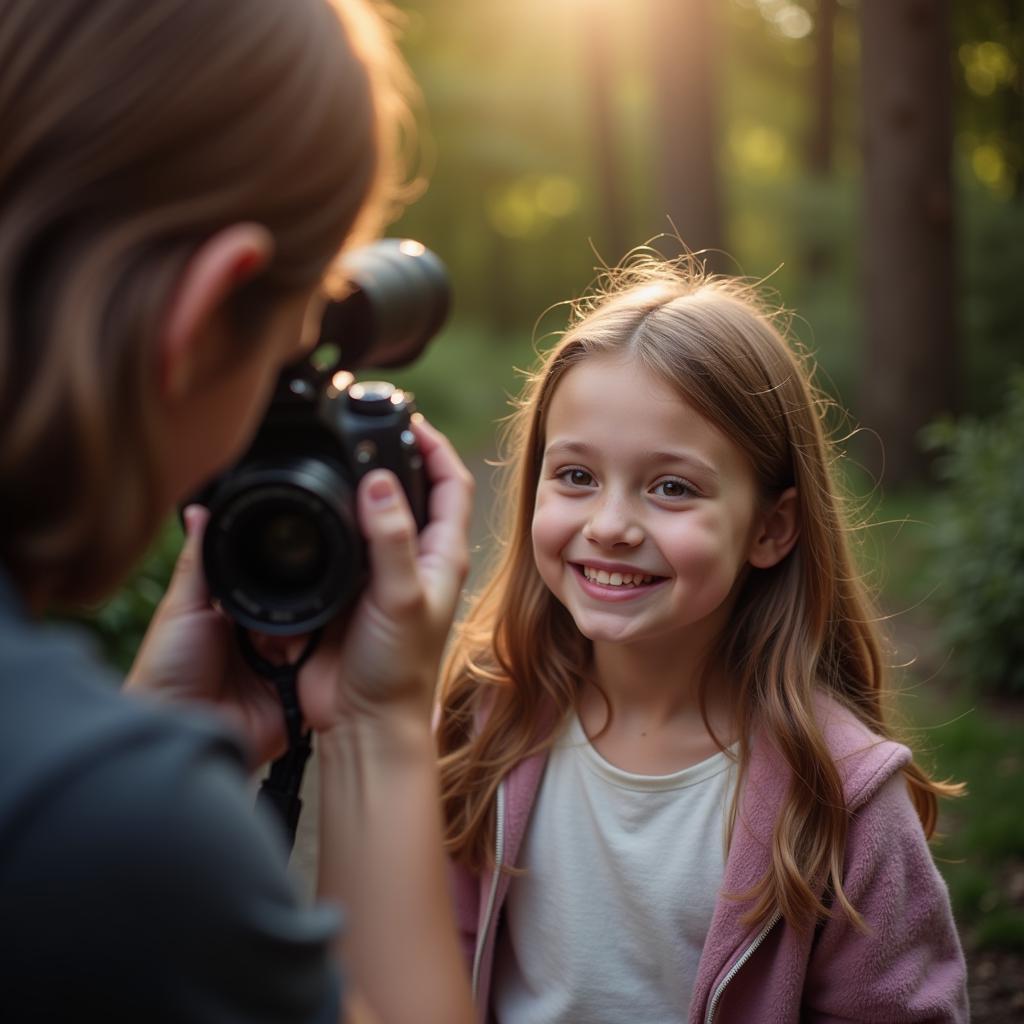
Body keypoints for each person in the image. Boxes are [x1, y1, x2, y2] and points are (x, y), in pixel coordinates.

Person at [0, 2, 475, 1022]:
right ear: (209, 311)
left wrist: (143, 737)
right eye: (284, 351)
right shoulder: (104, 830)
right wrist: (379, 723)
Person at [436, 254, 969, 1023]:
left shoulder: (838, 796)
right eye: (577, 476)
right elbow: (437, 956)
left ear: (770, 527)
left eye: (672, 487)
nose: (611, 525)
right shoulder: (488, 716)